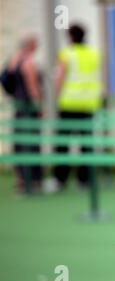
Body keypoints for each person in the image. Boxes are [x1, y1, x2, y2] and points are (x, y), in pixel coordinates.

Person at [53, 24, 102, 189]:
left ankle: (60, 179)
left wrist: (56, 96)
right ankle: (84, 180)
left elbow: (59, 78)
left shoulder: (67, 53)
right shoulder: (93, 53)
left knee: (62, 143)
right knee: (86, 143)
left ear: (71, 37)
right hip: (88, 104)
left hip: (69, 103)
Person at [6, 34, 43, 193]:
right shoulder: (28, 62)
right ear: (30, 45)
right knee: (32, 144)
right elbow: (33, 87)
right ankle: (33, 180)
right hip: (29, 108)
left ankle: (20, 178)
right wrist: (39, 106)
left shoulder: (13, 60)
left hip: (18, 106)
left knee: (19, 143)